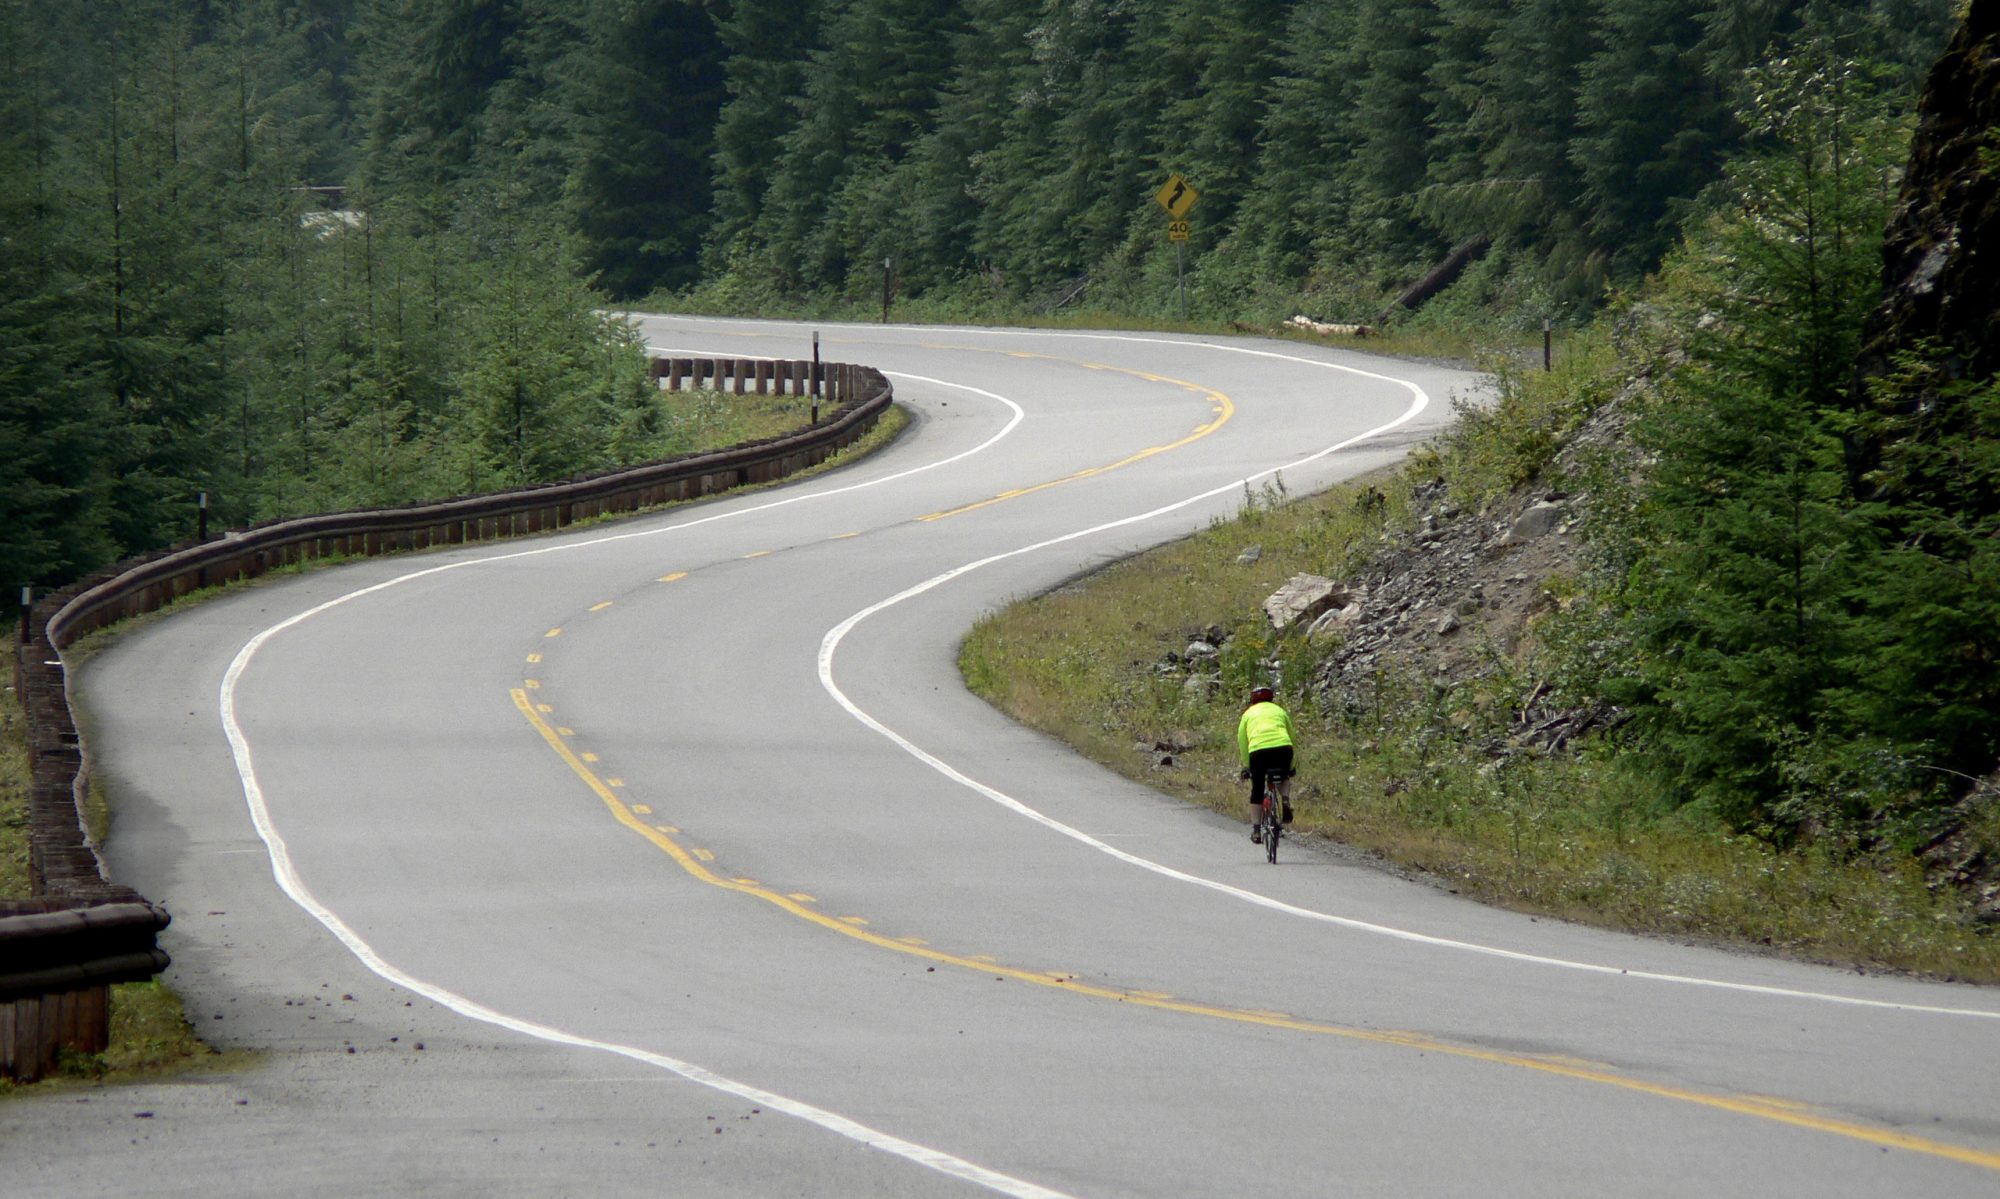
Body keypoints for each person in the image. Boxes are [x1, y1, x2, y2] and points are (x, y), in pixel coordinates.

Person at [1236, 684, 1295, 843]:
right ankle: (1285, 799)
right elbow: (1292, 736)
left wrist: (1247, 766)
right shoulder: (1279, 711)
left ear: (1253, 700)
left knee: (1257, 789)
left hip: (1258, 751)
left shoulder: (1248, 714)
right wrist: (1292, 766)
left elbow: (1242, 741)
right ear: (1271, 698)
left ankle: (1256, 830)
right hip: (1283, 748)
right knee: (1284, 776)